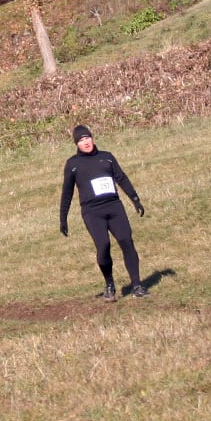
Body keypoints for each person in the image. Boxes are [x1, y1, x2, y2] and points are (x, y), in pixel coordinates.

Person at [59, 125, 147, 301]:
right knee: (103, 246)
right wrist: (63, 218)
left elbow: (121, 178)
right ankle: (109, 284)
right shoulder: (73, 164)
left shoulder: (107, 157)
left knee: (126, 241)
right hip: (92, 212)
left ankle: (137, 285)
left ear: (92, 138)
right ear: (76, 144)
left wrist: (135, 199)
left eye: (87, 138)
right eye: (81, 140)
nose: (85, 142)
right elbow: (67, 192)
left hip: (114, 207)